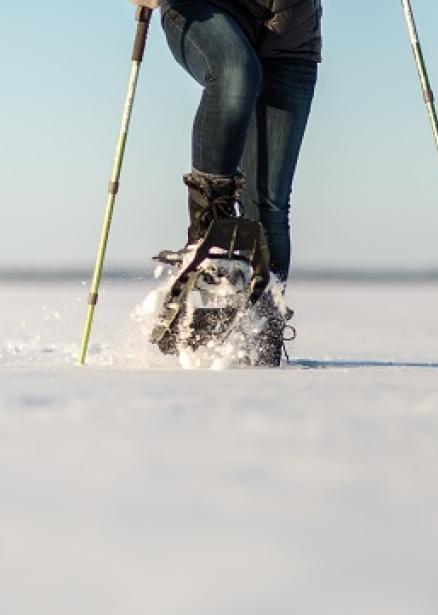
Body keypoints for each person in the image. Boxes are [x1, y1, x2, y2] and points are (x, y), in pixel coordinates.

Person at [131, 0, 322, 365]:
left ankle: (260, 337)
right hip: (210, 9)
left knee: (269, 208)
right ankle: (209, 225)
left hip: (292, 36)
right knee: (236, 72)